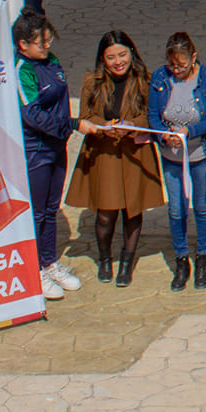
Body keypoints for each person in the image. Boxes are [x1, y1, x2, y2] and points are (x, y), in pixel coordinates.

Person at [63, 29, 165, 287]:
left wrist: (132, 125)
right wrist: (105, 125)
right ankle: (105, 259)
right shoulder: (91, 81)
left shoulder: (145, 80)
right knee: (106, 213)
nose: (118, 61)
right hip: (104, 152)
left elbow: (153, 116)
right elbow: (85, 115)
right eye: (111, 57)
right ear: (102, 59)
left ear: (131, 53)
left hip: (135, 152)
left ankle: (127, 261)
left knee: (133, 211)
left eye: (122, 54)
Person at [146, 32, 206, 291]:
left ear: (194, 58)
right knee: (177, 208)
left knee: (202, 206)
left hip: (202, 153)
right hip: (172, 156)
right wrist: (165, 137)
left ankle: (202, 257)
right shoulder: (159, 77)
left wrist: (189, 132)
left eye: (182, 65)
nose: (176, 70)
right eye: (172, 65)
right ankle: (181, 258)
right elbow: (153, 116)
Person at [13, 10, 77, 301]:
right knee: (37, 212)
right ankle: (35, 268)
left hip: (57, 145)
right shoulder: (22, 70)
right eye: (41, 43)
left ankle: (49, 262)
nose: (47, 47)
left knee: (51, 208)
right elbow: (32, 114)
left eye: (49, 41)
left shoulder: (51, 62)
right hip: (36, 150)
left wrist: (65, 128)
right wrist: (72, 125)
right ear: (23, 44)